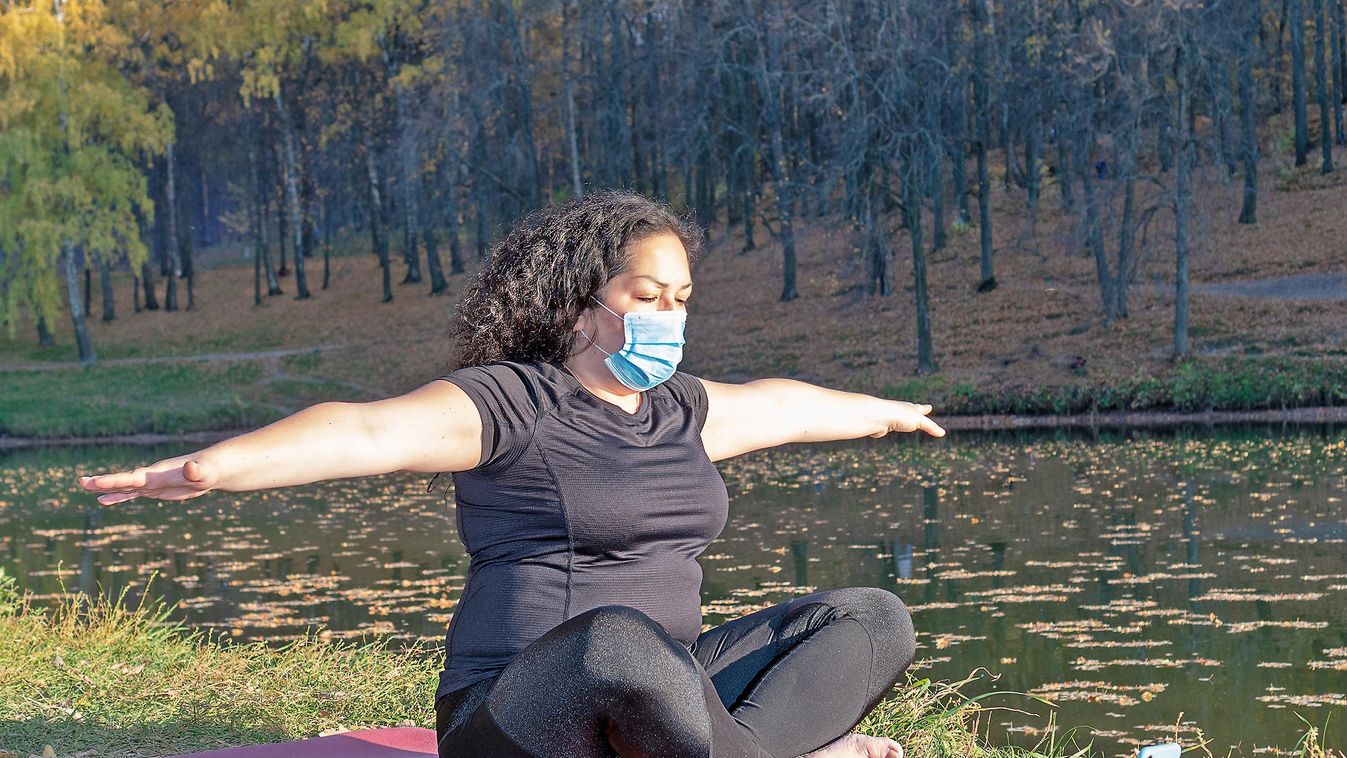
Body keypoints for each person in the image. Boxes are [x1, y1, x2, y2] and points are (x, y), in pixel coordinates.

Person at [79, 191, 946, 758]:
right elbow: (367, 430)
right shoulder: (511, 403)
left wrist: (891, 411)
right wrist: (215, 467)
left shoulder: (681, 410)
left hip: (667, 700)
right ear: (579, 301)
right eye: (648, 296)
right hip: (522, 712)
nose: (670, 316)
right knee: (615, 639)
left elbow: (784, 405)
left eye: (681, 299)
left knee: (867, 616)